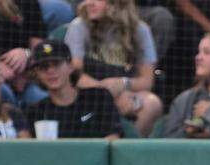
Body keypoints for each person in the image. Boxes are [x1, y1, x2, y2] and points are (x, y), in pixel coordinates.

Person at [64, 0, 162, 137]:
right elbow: (74, 75)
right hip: (88, 93)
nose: (89, 3)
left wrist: (122, 84)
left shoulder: (140, 30)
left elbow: (147, 81)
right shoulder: (79, 26)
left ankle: (129, 151)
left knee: (152, 103)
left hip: (125, 93)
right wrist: (106, 96)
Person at [25, 39, 120, 139]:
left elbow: (113, 138)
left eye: (56, 64)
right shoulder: (36, 111)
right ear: (37, 73)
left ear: (70, 66)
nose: (51, 71)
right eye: (43, 67)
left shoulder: (99, 97)